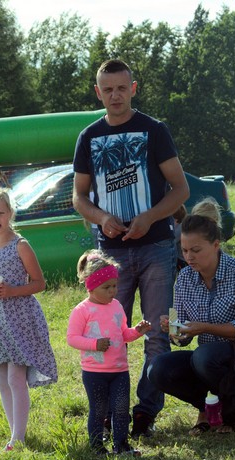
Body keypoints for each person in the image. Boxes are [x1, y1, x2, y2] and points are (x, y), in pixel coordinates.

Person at [73, 58, 190, 438]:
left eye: (122, 88)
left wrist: (150, 217)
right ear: (98, 92)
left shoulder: (155, 130)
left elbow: (181, 190)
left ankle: (146, 412)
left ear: (133, 89)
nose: (115, 95)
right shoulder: (89, 136)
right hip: (111, 253)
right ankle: (110, 413)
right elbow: (78, 197)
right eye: (108, 89)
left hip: (156, 246)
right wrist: (101, 217)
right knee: (109, 334)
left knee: (156, 333)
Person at [147, 200, 235, 434]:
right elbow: (181, 335)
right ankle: (208, 408)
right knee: (157, 368)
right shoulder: (184, 277)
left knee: (204, 356)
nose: (189, 257)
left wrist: (203, 327)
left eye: (196, 250)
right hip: (208, 360)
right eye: (184, 250)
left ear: (216, 245)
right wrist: (173, 328)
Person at [0, 187, 58, 451]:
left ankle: (17, 439)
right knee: (2, 377)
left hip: (20, 316)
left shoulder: (21, 245)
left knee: (15, 378)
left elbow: (39, 283)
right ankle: (14, 433)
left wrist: (12, 291)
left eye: (1, 213)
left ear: (10, 213)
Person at [67, 250, 151, 455]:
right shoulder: (82, 310)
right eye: (106, 287)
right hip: (94, 372)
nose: (113, 291)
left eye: (114, 285)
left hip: (120, 370)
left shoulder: (117, 306)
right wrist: (95, 344)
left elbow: (124, 334)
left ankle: (121, 445)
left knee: (121, 409)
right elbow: (72, 338)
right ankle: (97, 447)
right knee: (98, 410)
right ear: (91, 286)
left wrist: (137, 331)